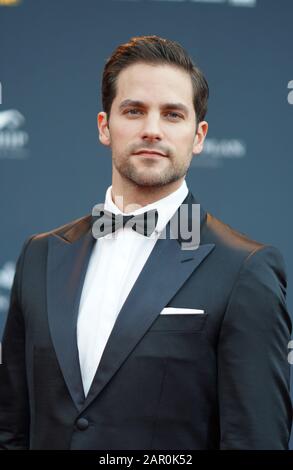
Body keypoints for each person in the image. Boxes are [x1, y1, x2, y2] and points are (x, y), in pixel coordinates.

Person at [0, 35, 291, 450]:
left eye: (172, 115)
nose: (152, 130)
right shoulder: (41, 255)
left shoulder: (244, 269)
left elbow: (255, 439)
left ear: (198, 136)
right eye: (134, 111)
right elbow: (12, 427)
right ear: (105, 126)